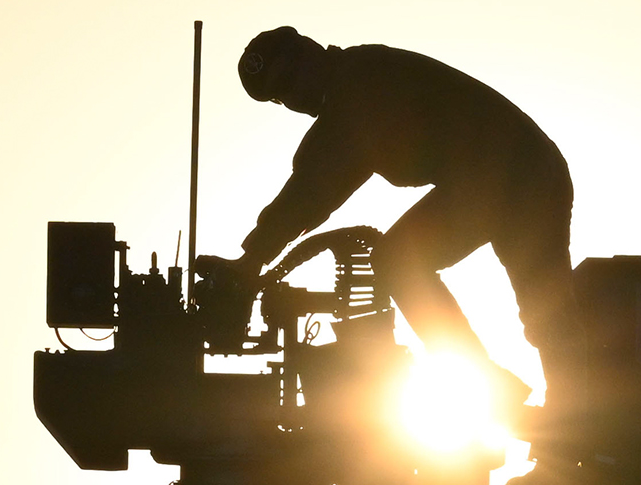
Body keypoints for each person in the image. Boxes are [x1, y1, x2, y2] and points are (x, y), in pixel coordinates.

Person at [201, 26, 579, 421]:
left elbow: (315, 184)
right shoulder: (353, 90)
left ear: (311, 52)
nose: (295, 97)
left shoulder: (361, 85)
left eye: (292, 79)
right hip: (518, 174)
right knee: (545, 311)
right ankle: (568, 426)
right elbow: (320, 174)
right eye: (282, 96)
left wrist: (252, 260)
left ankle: (549, 413)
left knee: (405, 264)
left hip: (515, 176)